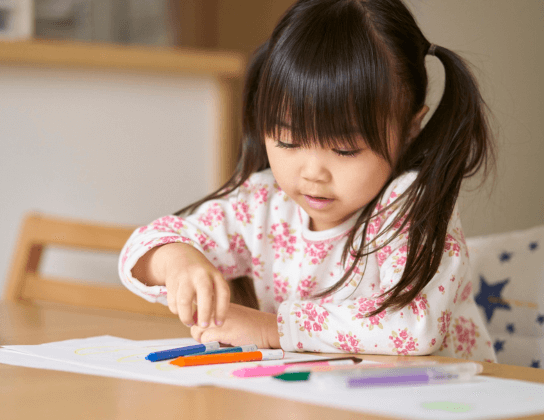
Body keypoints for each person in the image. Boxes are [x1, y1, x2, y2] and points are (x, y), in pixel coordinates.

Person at [118, 0, 496, 362]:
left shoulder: (410, 204)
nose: (313, 172)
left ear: (411, 128)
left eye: (345, 150)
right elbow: (140, 251)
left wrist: (272, 329)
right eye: (288, 141)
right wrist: (178, 261)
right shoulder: (263, 201)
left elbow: (413, 326)